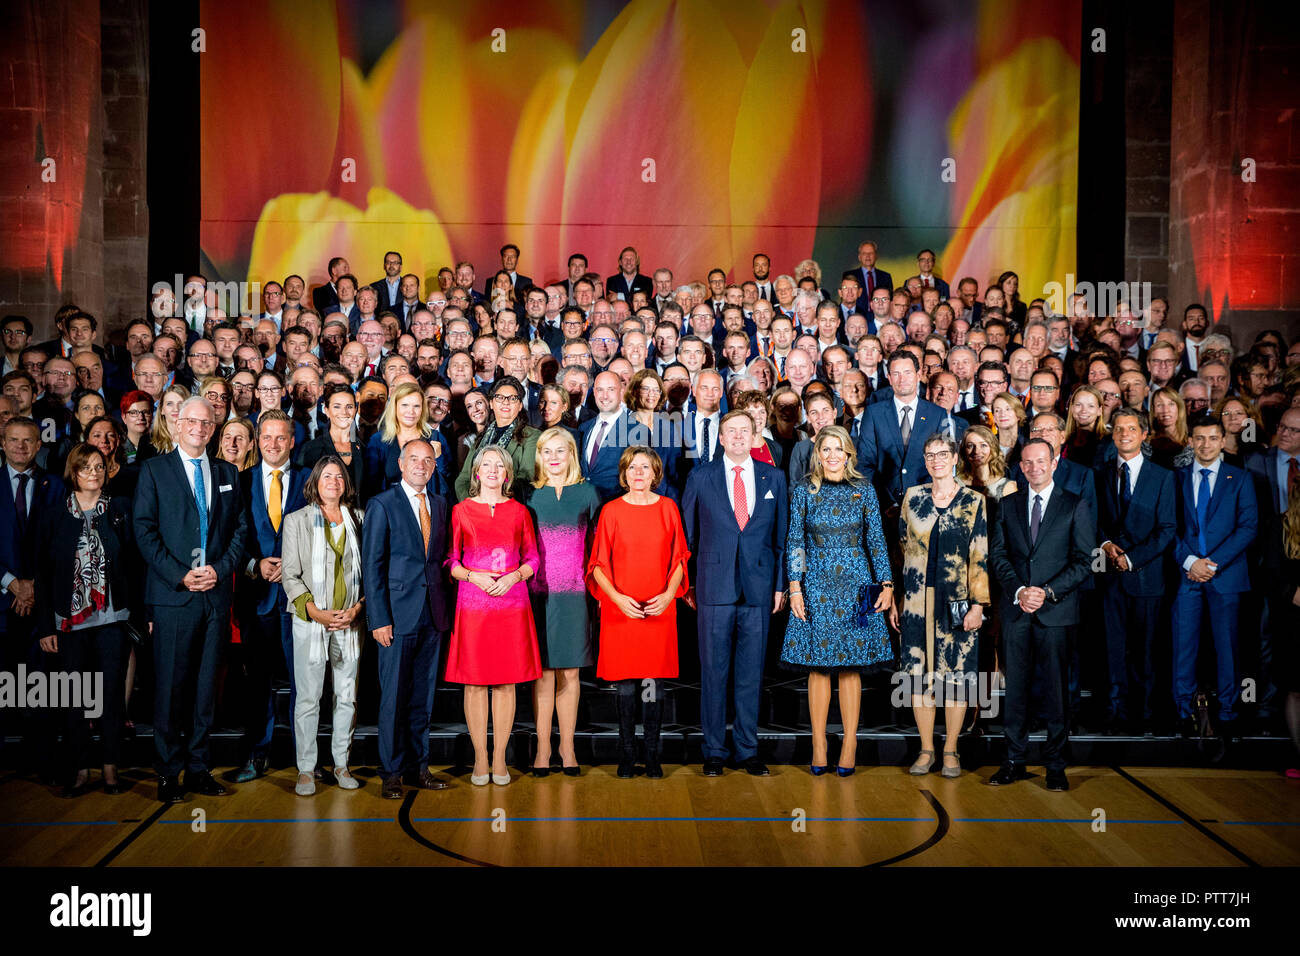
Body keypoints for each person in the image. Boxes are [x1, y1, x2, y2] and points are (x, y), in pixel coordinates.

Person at [133, 395, 248, 802]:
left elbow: (239, 530)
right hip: (173, 596)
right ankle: (168, 772)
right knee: (169, 689)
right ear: (177, 424)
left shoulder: (227, 471)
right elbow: (144, 532)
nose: (199, 428)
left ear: (213, 428)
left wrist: (220, 568)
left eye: (206, 423)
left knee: (204, 692)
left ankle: (199, 769)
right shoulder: (154, 471)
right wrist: (181, 575)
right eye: (192, 422)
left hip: (215, 595)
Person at [782, 426, 894, 775]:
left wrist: (887, 584)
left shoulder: (864, 490)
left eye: (838, 449)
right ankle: (818, 743)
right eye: (826, 449)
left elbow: (876, 538)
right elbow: (795, 540)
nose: (832, 455)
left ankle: (849, 743)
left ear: (849, 454)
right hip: (814, 583)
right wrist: (795, 586)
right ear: (818, 454)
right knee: (818, 666)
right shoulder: (804, 490)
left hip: (856, 584)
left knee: (850, 667)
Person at [682, 410, 788, 776]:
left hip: (759, 589)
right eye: (732, 432)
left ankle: (747, 749)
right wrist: (690, 583)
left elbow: (781, 539)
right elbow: (688, 538)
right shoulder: (701, 476)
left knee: (750, 674)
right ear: (721, 439)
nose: (739, 437)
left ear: (754, 435)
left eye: (746, 431)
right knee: (713, 672)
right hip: (714, 588)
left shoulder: (774, 477)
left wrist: (779, 585)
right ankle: (713, 750)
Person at [987, 439, 1094, 791]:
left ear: (1054, 462)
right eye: (1028, 462)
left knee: (1056, 692)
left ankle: (1055, 765)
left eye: (1041, 461)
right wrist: (1020, 591)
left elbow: (1083, 562)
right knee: (1015, 690)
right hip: (1016, 611)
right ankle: (1014, 760)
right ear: (1020, 466)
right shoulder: (1007, 505)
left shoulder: (1074, 505)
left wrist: (1045, 592)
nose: (1034, 468)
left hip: (1056, 612)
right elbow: (998, 556)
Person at [34, 443, 136, 797]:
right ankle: (79, 768)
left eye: (99, 466)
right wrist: (45, 625)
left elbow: (135, 564)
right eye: (86, 467)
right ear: (73, 473)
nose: (94, 472)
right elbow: (43, 575)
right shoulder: (54, 515)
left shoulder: (120, 509)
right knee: (75, 697)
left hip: (112, 619)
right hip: (69, 624)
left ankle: (110, 768)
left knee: (110, 697)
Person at [587, 447, 689, 778]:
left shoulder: (668, 508)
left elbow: (679, 559)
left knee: (652, 684)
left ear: (655, 473)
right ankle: (628, 753)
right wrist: (616, 598)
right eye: (632, 467)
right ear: (624, 473)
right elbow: (598, 564)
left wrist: (669, 595)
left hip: (658, 608)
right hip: (622, 609)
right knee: (627, 686)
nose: (638, 473)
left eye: (645, 467)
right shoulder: (611, 511)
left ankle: (654, 754)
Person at [446, 446, 543, 786]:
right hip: (473, 604)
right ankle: (480, 759)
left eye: (498, 465)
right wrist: (474, 576)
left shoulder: (519, 512)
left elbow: (532, 559)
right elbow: (450, 562)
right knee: (474, 684)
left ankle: (500, 759)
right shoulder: (461, 511)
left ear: (507, 474)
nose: (491, 469)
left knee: (505, 682)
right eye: (485, 464)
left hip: (511, 603)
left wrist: (514, 576)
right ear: (475, 472)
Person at [362, 438, 452, 799]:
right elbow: (373, 566)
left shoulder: (442, 505)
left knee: (422, 698)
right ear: (400, 464)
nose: (420, 465)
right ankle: (392, 772)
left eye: (427, 460)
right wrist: (378, 618)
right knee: (394, 698)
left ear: (434, 467)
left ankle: (420, 767)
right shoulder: (382, 504)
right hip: (396, 620)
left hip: (433, 616)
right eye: (414, 459)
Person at [898, 435, 990, 778]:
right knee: (917, 676)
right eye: (929, 454)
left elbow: (979, 555)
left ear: (955, 458)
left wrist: (978, 605)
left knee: (958, 678)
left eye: (942, 454)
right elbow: (902, 547)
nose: (936, 460)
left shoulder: (973, 500)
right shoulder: (913, 497)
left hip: (958, 602)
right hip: (916, 600)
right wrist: (898, 598)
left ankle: (951, 749)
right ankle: (926, 749)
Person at [281, 457, 367, 795]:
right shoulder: (297, 521)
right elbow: (289, 575)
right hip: (310, 621)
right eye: (326, 476)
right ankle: (305, 768)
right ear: (315, 481)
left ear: (346, 483)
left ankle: (341, 764)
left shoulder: (359, 519)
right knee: (308, 698)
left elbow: (370, 572)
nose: (333, 481)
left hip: (350, 620)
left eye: (338, 476)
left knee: (346, 696)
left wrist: (358, 609)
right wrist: (315, 611)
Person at [1171, 415, 1257, 743]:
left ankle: (1229, 714)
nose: (1205, 445)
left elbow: (1248, 527)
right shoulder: (1175, 479)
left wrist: (1213, 564)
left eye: (1212, 438)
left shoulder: (1241, 478)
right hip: (1186, 575)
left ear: (1223, 441)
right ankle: (1183, 712)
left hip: (1227, 576)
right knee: (1184, 647)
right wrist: (1191, 562)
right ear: (1190, 441)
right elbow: (1169, 528)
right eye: (1199, 438)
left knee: (1228, 649)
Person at [234, 410, 307, 782]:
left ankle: (305, 761)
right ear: (257, 440)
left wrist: (295, 569)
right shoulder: (239, 481)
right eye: (267, 437)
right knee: (258, 683)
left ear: (292, 441)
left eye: (281, 438)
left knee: (303, 684)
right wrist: (253, 564)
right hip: (257, 597)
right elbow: (231, 537)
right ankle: (255, 754)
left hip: (301, 600)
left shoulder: (311, 480)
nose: (274, 444)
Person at [1094, 408, 1176, 735]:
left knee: (1145, 651)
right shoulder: (1099, 474)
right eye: (1119, 429)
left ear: (1144, 435)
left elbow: (1168, 528)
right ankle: (1115, 712)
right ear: (1113, 435)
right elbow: (1093, 520)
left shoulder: (1163, 476)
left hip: (1146, 577)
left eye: (1131, 429)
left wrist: (1132, 558)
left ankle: (1144, 713)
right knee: (1112, 648)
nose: (1124, 434)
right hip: (1109, 577)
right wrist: (1105, 544)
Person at [524, 428, 600, 776]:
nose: (554, 457)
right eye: (547, 451)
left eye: (561, 451)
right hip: (539, 596)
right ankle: (542, 749)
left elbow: (599, 548)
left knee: (570, 672)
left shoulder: (587, 493)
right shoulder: (529, 496)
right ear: (539, 456)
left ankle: (567, 749)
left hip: (574, 595)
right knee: (542, 674)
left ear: (571, 454)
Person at [455, 376, 539, 501]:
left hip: (508, 506)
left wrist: (495, 501)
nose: (506, 402)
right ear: (491, 403)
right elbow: (463, 479)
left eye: (513, 398)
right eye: (499, 397)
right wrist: (473, 503)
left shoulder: (532, 436)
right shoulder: (482, 437)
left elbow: (526, 478)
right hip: (474, 509)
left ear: (520, 405)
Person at [365, 380, 450, 500]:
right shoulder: (379, 441)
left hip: (426, 509)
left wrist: (439, 458)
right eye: (405, 405)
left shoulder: (436, 438)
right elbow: (370, 486)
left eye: (416, 406)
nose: (411, 411)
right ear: (394, 407)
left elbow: (448, 480)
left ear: (422, 409)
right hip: (390, 510)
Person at [296, 383, 364, 497]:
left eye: (349, 406)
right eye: (337, 406)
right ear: (326, 410)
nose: (344, 412)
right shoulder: (311, 449)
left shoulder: (364, 448)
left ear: (356, 409)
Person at [151, 384, 190, 455]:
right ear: (162, 409)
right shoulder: (147, 441)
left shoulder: (198, 438)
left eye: (181, 403)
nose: (176, 409)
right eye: (169, 404)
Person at [119, 390, 156, 464]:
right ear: (124, 418)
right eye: (133, 413)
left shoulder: (161, 445)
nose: (141, 417)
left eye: (145, 412)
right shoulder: (117, 448)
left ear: (152, 416)